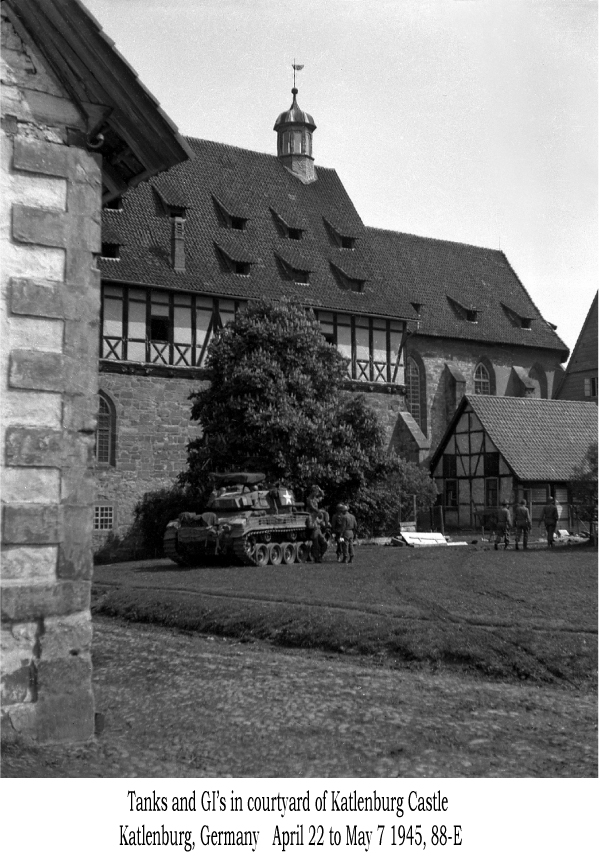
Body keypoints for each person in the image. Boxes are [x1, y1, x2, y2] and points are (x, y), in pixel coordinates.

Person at [306, 485, 326, 562]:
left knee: (324, 544)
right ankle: (317, 557)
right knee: (316, 543)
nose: (317, 493)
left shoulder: (315, 499)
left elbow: (322, 496)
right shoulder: (309, 499)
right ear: (313, 491)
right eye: (316, 492)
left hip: (316, 517)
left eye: (317, 492)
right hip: (312, 516)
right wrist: (319, 512)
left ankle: (319, 556)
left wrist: (320, 489)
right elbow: (312, 507)